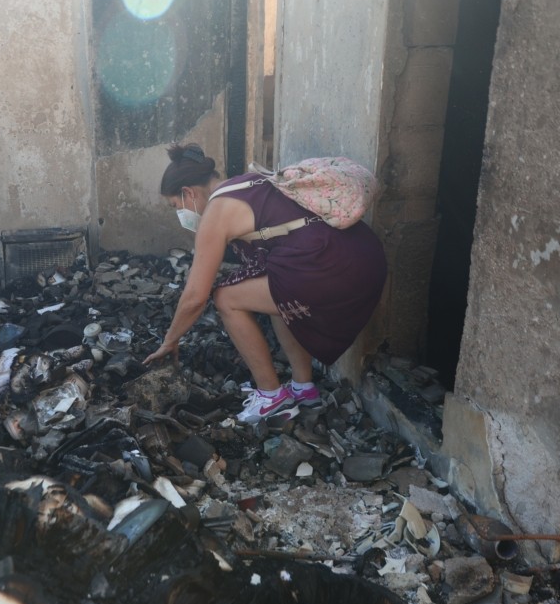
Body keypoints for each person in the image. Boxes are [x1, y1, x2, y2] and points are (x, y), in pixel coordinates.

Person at [142, 143, 387, 424]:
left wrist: (170, 341)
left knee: (226, 298)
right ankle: (303, 388)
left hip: (332, 266)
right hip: (363, 256)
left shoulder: (216, 213)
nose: (180, 214)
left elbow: (196, 296)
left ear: (188, 192)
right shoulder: (248, 182)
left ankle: (272, 397)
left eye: (176, 206)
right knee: (271, 288)